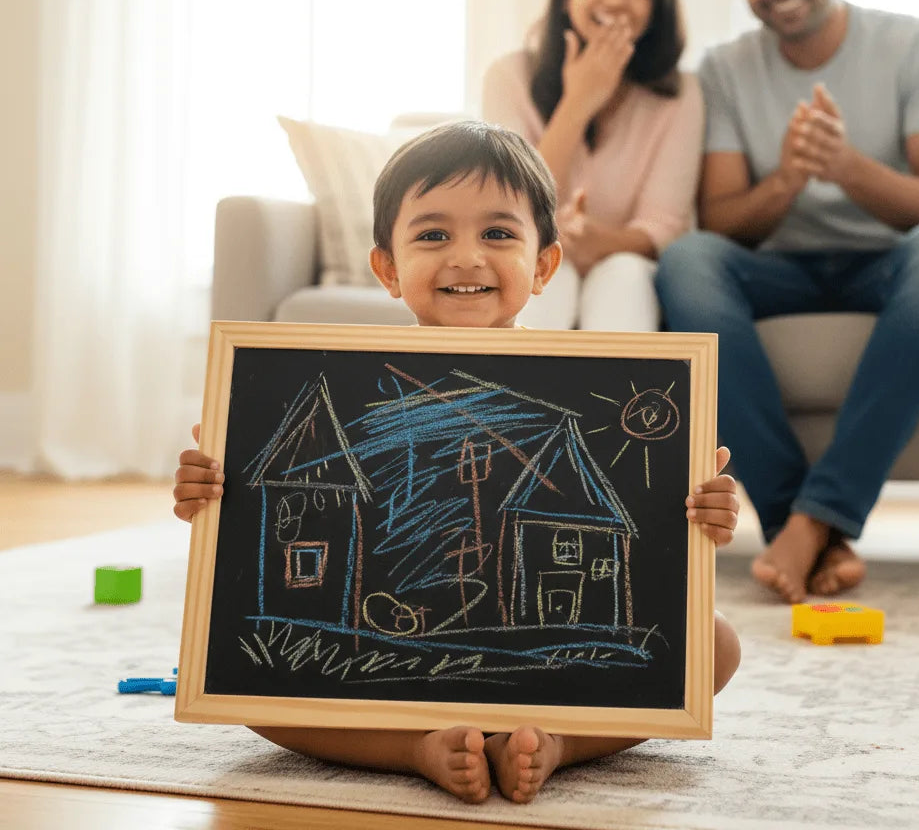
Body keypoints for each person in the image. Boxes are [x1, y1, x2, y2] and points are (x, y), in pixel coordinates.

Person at [174, 120, 742, 804]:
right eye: (433, 235)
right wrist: (211, 493)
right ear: (387, 268)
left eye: (498, 234)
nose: (466, 257)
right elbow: (263, 512)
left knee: (717, 648)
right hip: (397, 620)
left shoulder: (575, 392)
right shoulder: (352, 389)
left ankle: (558, 742)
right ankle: (412, 749)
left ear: (543, 265)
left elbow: (649, 540)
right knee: (223, 668)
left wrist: (701, 513)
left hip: (517, 636)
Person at [655, 0, 919, 606]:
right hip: (775, 268)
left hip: (890, 265)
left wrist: (845, 167)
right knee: (686, 260)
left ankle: (810, 521)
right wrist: (788, 180)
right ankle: (806, 525)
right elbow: (720, 219)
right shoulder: (724, 69)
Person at [482, 0, 703, 331]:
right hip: (534, 259)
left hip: (626, 266)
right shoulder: (508, 77)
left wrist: (601, 243)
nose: (617, 0)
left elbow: (665, 225)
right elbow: (507, 209)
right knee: (547, 276)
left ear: (656, 10)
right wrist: (580, 101)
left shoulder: (681, 94)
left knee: (623, 274)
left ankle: (618, 399)